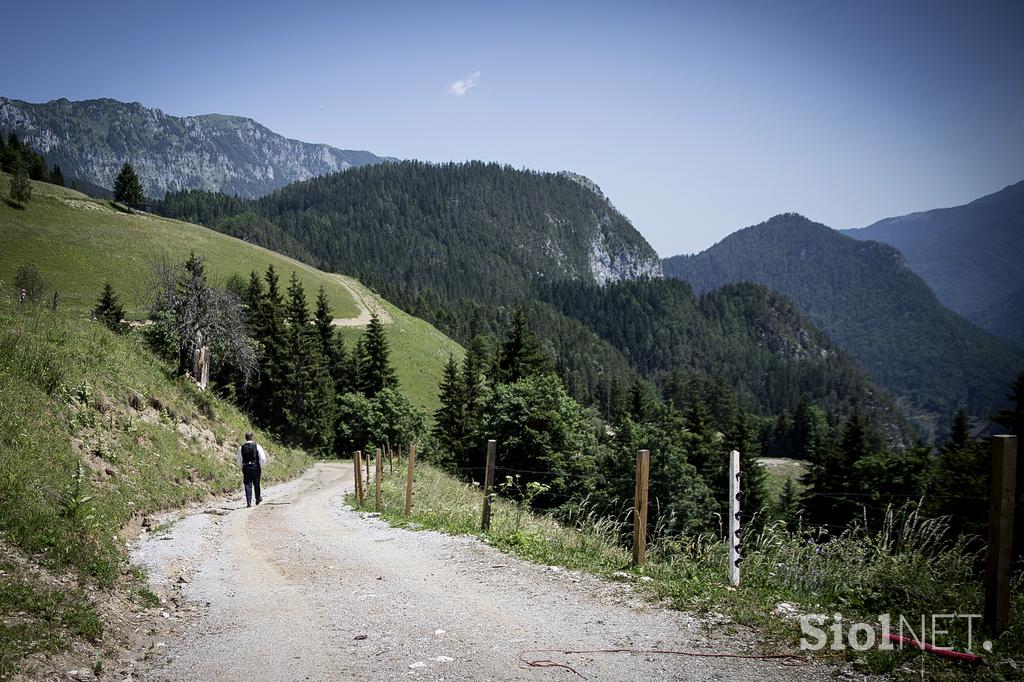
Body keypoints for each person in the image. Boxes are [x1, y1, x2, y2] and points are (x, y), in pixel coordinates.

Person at [235, 432, 268, 507]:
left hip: (246, 467)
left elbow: (239, 460)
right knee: (256, 483)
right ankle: (258, 498)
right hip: (255, 466)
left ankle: (249, 502)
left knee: (247, 484)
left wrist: (242, 467)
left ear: (245, 438)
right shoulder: (257, 446)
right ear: (252, 437)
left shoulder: (241, 447)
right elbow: (262, 458)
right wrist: (260, 466)